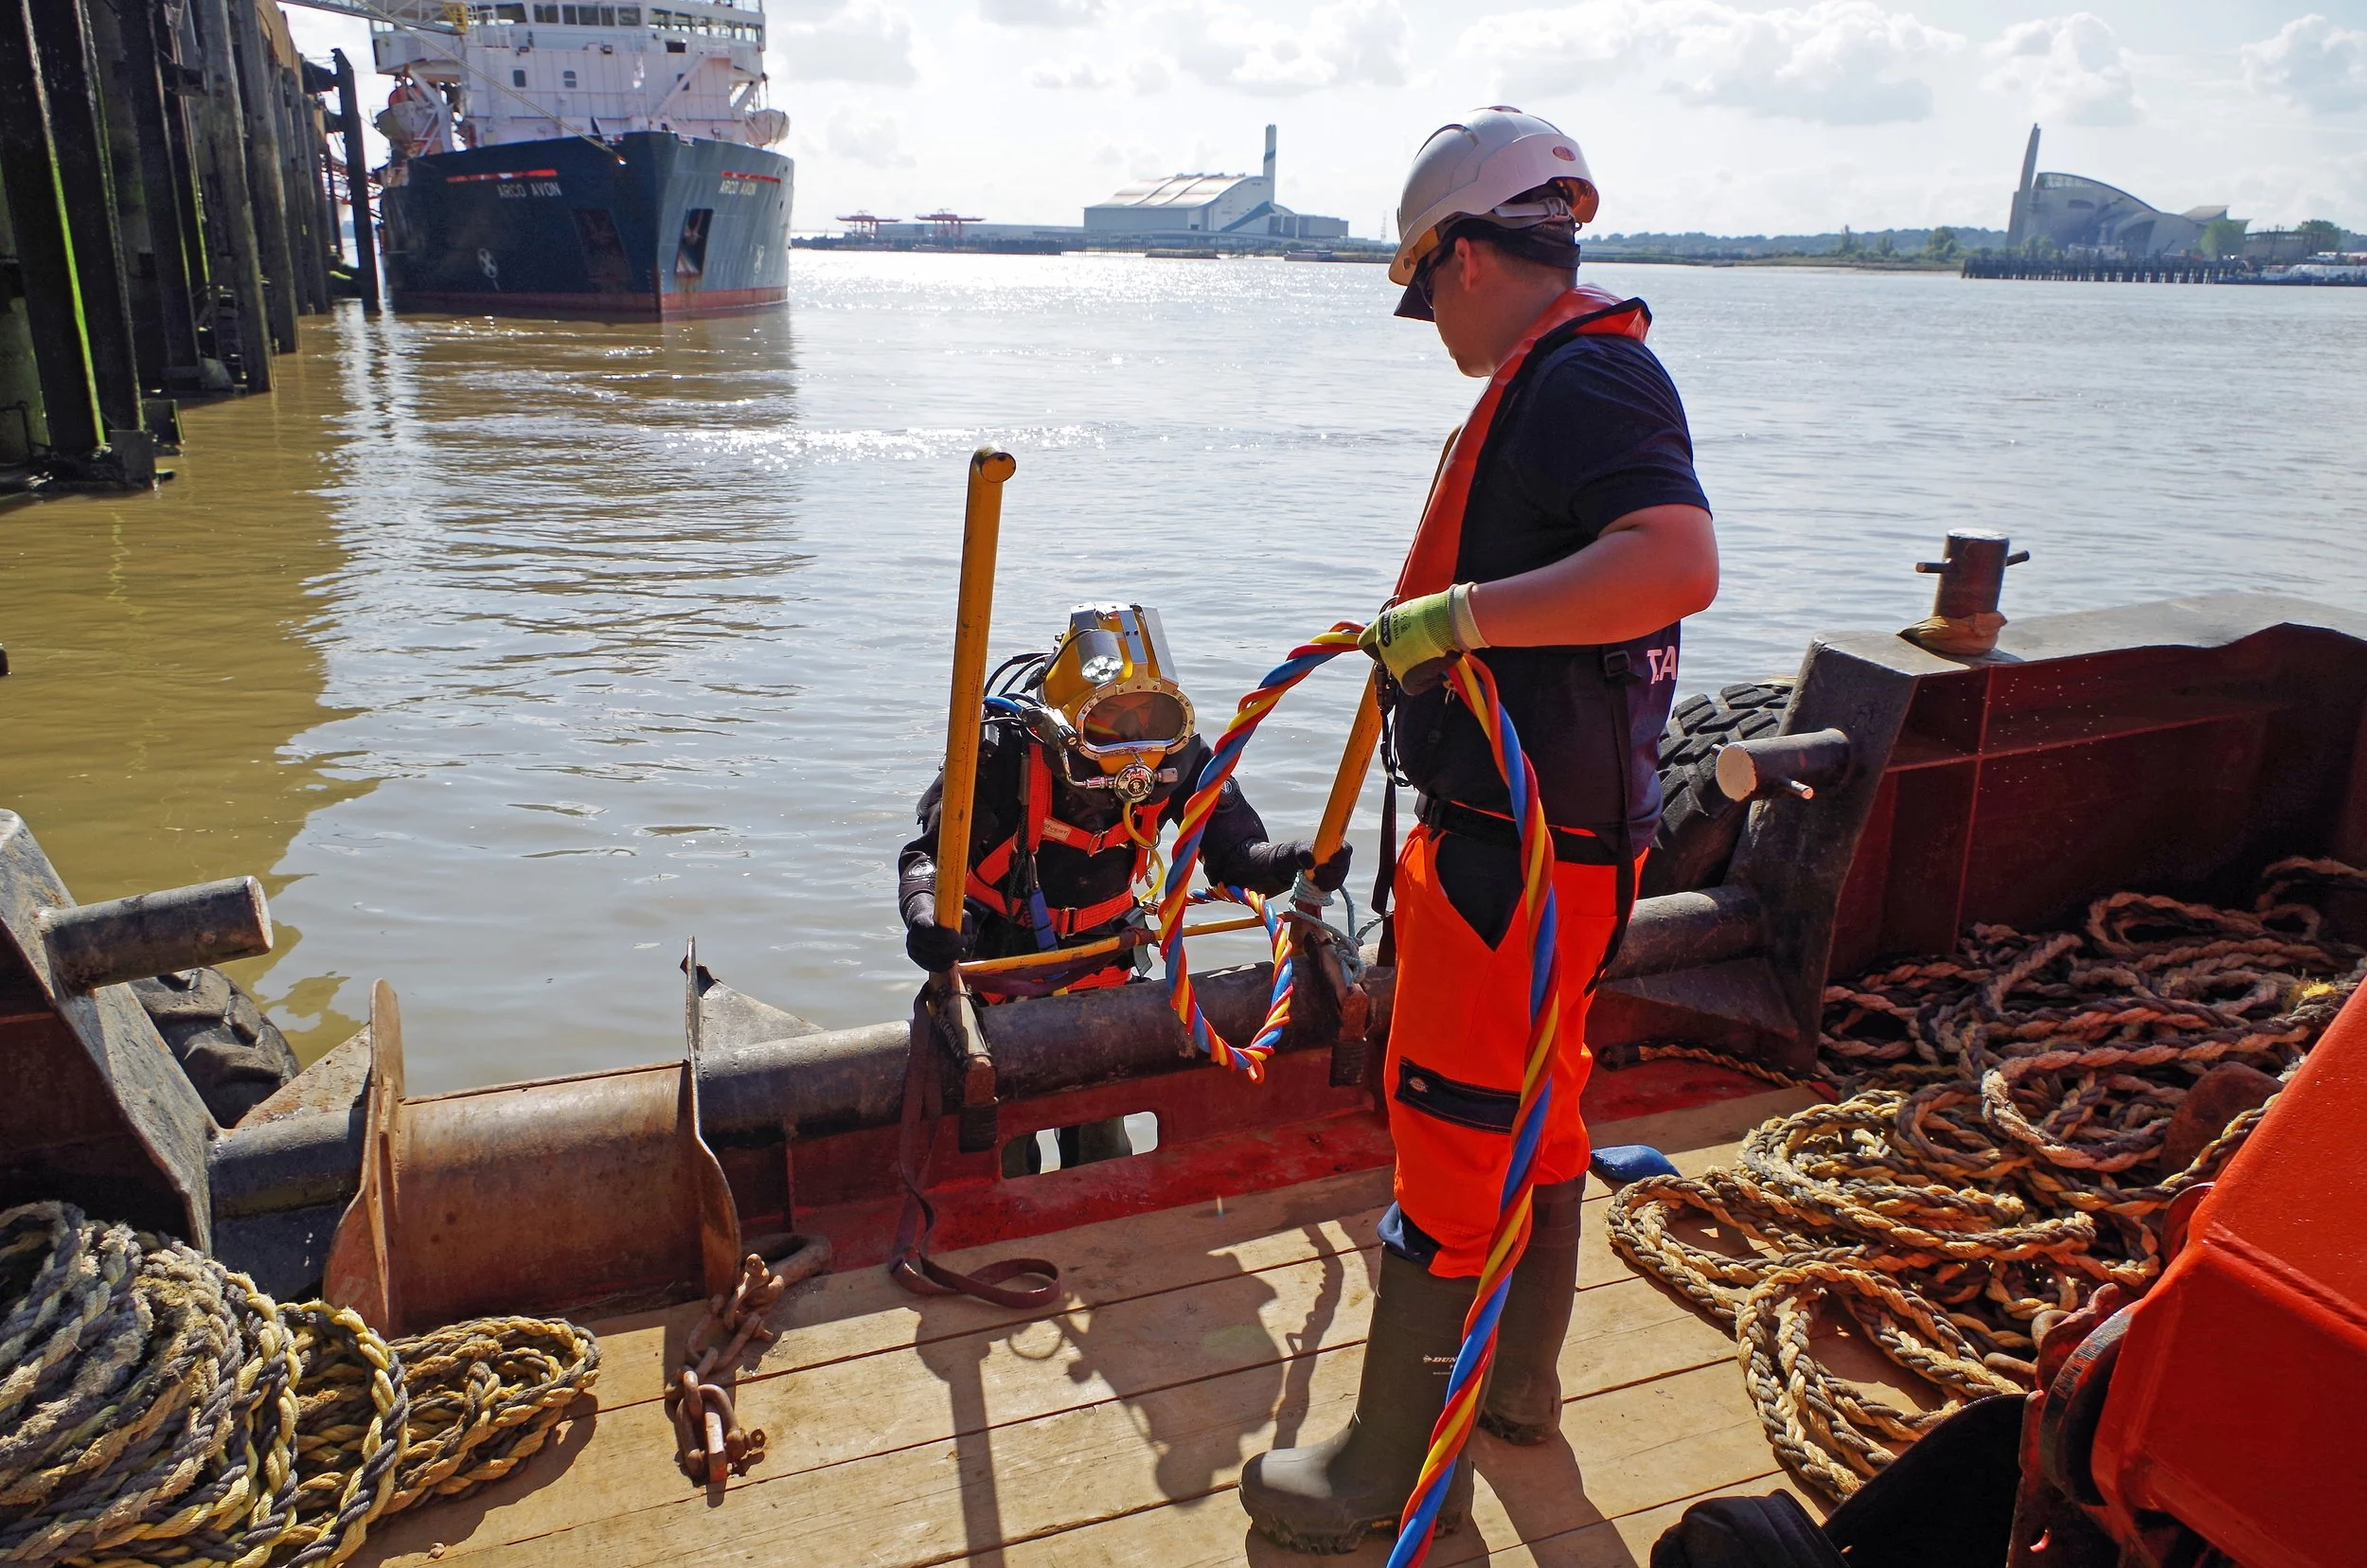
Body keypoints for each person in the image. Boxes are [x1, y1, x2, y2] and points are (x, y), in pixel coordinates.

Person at [1239, 108, 1720, 1552]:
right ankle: (1515, 1395)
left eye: (1419, 286)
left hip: (1505, 862)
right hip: (1567, 852)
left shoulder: (1578, 386)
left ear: (1456, 259)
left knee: (1452, 1136)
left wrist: (1459, 619)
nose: (1425, 318)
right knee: (1543, 1116)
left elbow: (1675, 561)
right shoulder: (1578, 374)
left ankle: (1391, 1480)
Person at [899, 604, 1350, 1167]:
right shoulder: (998, 754)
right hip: (999, 965)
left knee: (1102, 1135)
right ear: (1060, 726)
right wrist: (927, 916)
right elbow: (927, 858)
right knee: (1003, 1144)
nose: (1135, 751)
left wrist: (1296, 859)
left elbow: (1235, 858)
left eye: (1153, 722)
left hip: (1102, 961)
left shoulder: (1179, 757)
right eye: (1111, 727)